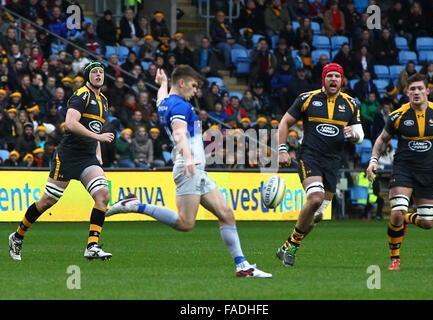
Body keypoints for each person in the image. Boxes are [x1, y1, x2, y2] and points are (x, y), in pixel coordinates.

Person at [106, 65, 272, 278]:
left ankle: (243, 266)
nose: (196, 91)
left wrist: (163, 83)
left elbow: (159, 99)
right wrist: (189, 157)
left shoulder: (165, 103)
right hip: (189, 168)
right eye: (193, 86)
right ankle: (135, 205)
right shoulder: (180, 107)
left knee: (227, 215)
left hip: (196, 170)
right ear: (182, 83)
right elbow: (179, 134)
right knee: (185, 223)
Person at [8, 61, 115, 261]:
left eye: (101, 72)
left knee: (103, 194)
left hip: (88, 157)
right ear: (88, 76)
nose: (99, 75)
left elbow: (96, 129)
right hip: (68, 156)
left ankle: (92, 246)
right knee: (48, 200)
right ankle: (17, 236)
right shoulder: (81, 95)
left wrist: (98, 151)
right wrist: (99, 138)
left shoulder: (104, 101)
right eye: (95, 72)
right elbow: (70, 123)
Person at [276, 63, 364, 267]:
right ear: (323, 79)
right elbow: (284, 123)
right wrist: (281, 149)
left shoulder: (351, 104)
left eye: (337, 76)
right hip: (310, 157)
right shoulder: (306, 99)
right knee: (315, 199)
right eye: (329, 76)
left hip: (333, 162)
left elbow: (360, 135)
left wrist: (354, 135)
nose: (333, 79)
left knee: (317, 216)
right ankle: (292, 249)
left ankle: (288, 245)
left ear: (342, 80)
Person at [366, 73, 433, 271]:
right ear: (407, 92)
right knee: (397, 212)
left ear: (427, 91)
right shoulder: (398, 115)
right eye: (412, 89)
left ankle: (404, 218)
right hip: (403, 170)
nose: (416, 92)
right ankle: (395, 258)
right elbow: (381, 140)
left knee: (427, 223)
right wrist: (373, 161)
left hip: (428, 173)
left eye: (420, 88)